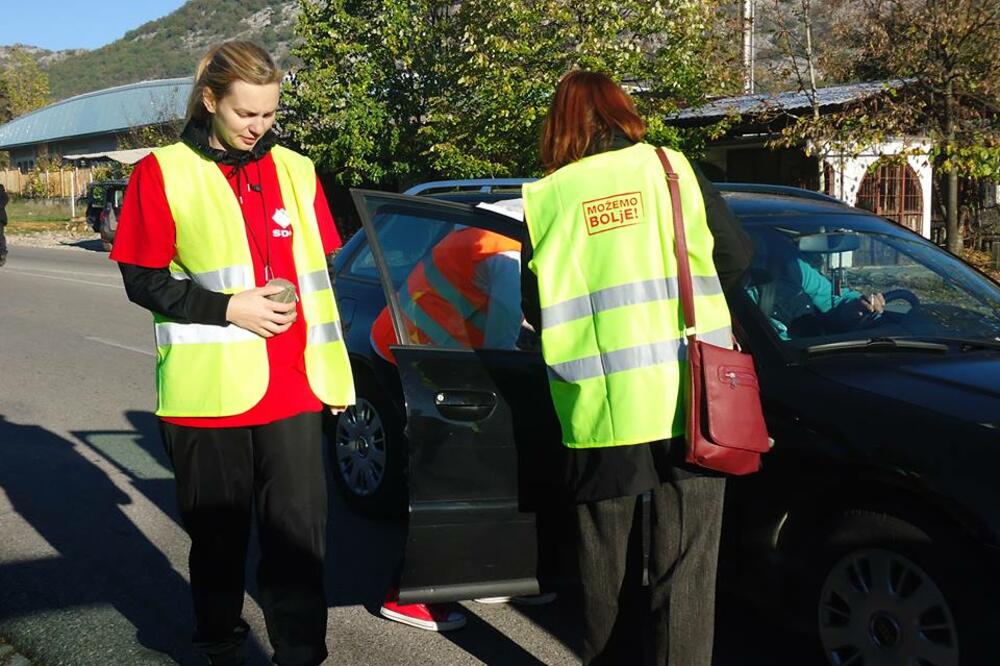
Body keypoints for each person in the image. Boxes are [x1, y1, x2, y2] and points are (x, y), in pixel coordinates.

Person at [110, 41, 354, 666]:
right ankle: (218, 638)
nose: (259, 127)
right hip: (208, 393)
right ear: (211, 100)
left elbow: (318, 273)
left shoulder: (298, 170)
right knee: (218, 536)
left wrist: (332, 374)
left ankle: (302, 653)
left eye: (270, 114)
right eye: (247, 114)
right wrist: (230, 307)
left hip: (295, 385)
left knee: (300, 537)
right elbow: (143, 279)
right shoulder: (161, 171)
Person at [520, 70, 753, 665]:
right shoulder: (670, 168)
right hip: (690, 393)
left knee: (602, 567)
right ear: (621, 112)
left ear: (562, 124)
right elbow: (735, 255)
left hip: (598, 405)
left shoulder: (548, 197)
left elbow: (533, 305)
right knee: (687, 566)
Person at [368, 223, 551, 631]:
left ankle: (482, 576)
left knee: (466, 471)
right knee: (445, 474)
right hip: (413, 357)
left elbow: (497, 309)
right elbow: (503, 328)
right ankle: (408, 595)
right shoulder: (501, 250)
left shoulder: (489, 228)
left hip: (418, 348)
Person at [0, 182, 8, 267]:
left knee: (0, 236)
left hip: (0, 218)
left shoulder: (1, 188)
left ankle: (2, 253)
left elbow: (5, 199)